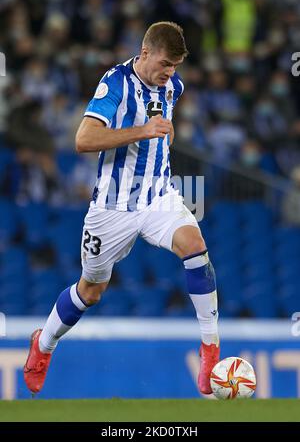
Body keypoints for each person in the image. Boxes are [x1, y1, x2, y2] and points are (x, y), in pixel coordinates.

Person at [23, 22, 220, 396]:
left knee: (195, 247)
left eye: (175, 66)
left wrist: (163, 132)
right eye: (164, 64)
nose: (169, 73)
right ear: (145, 53)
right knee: (91, 290)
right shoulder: (115, 84)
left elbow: (166, 125)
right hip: (112, 208)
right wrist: (143, 131)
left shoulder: (172, 86)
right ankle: (44, 344)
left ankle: (210, 348)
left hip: (159, 195)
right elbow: (83, 139)